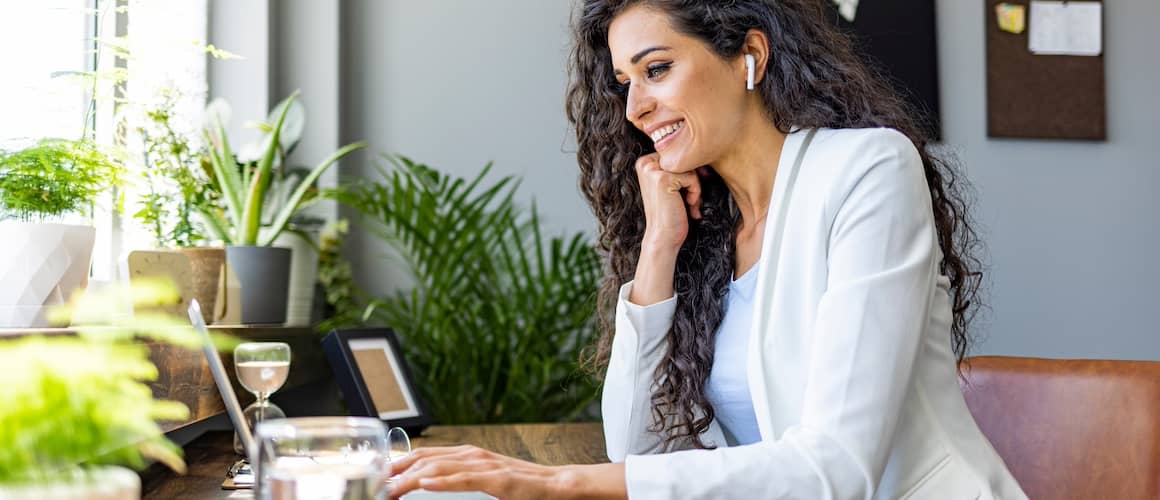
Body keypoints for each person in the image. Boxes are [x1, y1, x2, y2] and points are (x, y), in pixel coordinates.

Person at [389, 1, 1028, 499]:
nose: (636, 106)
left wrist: (555, 481)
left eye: (657, 68)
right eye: (623, 82)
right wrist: (659, 247)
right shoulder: (707, 229)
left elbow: (839, 467)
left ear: (749, 55)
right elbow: (634, 446)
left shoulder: (867, 170)